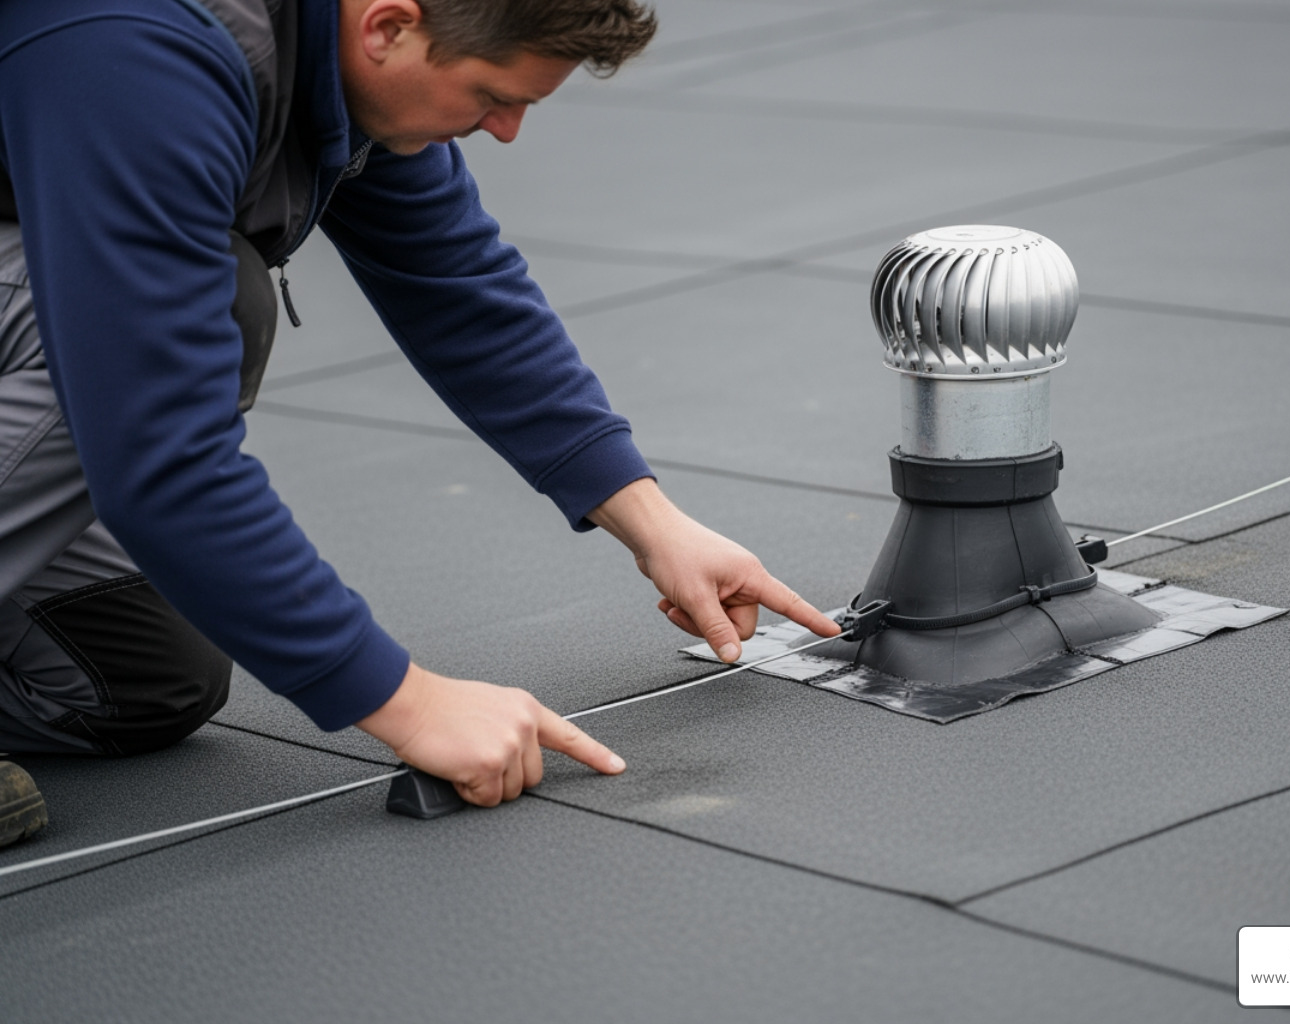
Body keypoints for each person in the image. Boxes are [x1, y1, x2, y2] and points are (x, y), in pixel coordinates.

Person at [0, 0, 841, 848]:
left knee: (130, 682)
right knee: (223, 298)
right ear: (388, 28)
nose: (506, 131)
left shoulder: (339, 57)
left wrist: (653, 523)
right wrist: (407, 702)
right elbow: (156, 450)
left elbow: (455, 281)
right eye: (491, 95)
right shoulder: (138, 49)